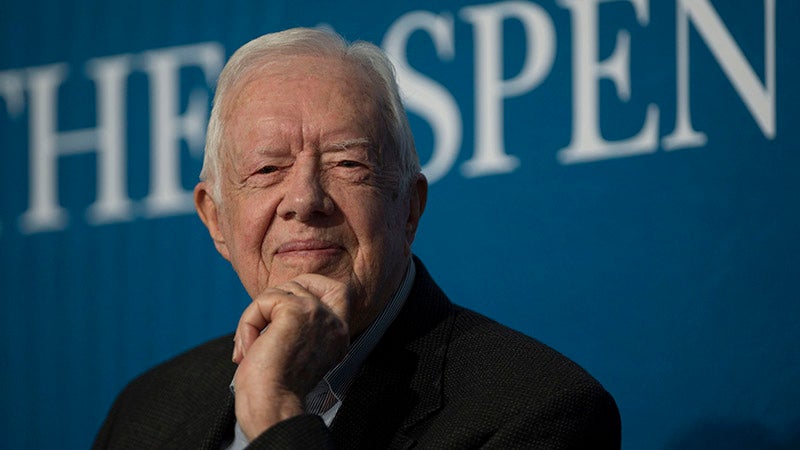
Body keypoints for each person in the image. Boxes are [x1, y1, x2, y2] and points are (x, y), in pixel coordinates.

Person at [93, 27, 621, 449]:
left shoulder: (537, 411)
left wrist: (276, 414)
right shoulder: (146, 412)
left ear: (408, 208)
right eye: (267, 169)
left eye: (348, 164)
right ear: (215, 220)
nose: (304, 199)